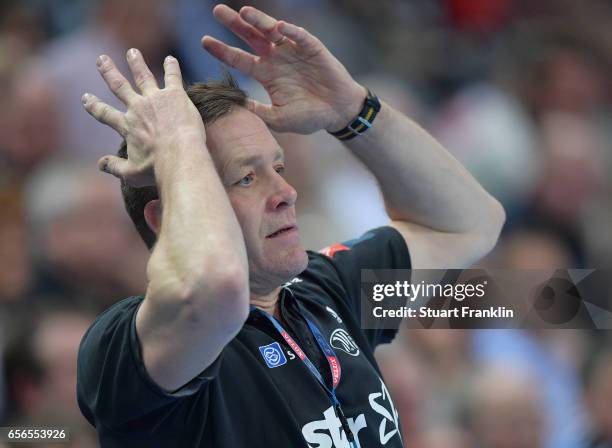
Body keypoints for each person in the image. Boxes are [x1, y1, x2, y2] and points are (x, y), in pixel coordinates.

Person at [76, 4, 505, 447]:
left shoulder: (328, 290)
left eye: (277, 166)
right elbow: (216, 288)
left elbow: (469, 225)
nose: (286, 192)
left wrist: (354, 112)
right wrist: (178, 143)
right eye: (246, 178)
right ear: (164, 218)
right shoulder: (126, 346)